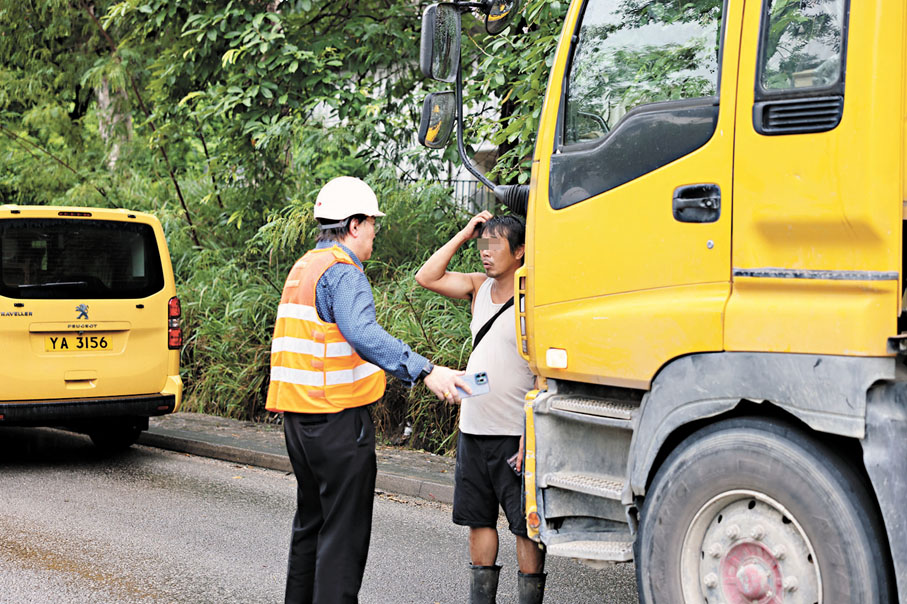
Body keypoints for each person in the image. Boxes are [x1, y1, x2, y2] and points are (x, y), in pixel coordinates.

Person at [266, 176, 469, 604]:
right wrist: (424, 370)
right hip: (338, 423)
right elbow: (361, 331)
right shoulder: (343, 272)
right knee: (343, 537)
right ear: (354, 224)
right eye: (373, 223)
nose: (376, 231)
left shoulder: (304, 266)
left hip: (299, 424)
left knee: (312, 525)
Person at [415, 211, 546, 604]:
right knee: (478, 520)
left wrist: (532, 430)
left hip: (515, 432)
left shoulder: (534, 298)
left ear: (520, 251)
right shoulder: (478, 288)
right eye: (482, 245)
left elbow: (543, 373)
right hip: (473, 426)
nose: (485, 254)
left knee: (524, 527)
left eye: (495, 246)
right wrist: (464, 233)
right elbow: (427, 277)